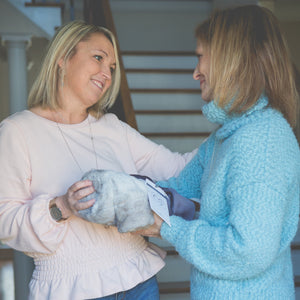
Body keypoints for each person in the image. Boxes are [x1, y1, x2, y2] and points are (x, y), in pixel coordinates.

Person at [0, 20, 197, 300]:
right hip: (71, 290)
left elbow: (178, 168)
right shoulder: (16, 131)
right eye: (98, 58)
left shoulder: (112, 127)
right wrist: (62, 206)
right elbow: (4, 220)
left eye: (112, 67)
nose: (107, 73)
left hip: (139, 281)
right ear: (62, 58)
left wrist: (227, 137)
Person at [136, 5, 300, 300]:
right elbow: (178, 189)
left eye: (200, 57)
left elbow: (248, 251)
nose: (196, 72)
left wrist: (170, 229)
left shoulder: (261, 141)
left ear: (231, 60)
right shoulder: (226, 136)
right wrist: (118, 190)